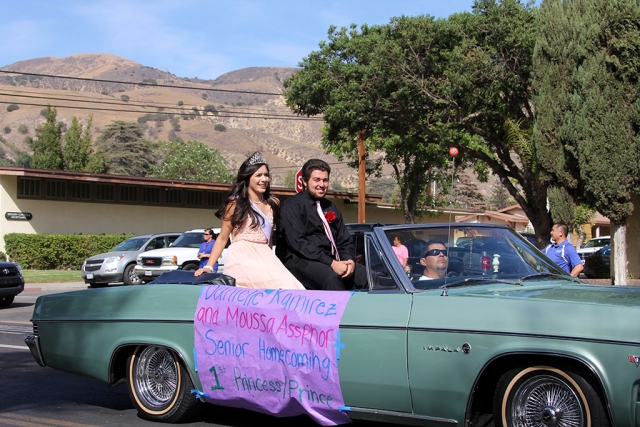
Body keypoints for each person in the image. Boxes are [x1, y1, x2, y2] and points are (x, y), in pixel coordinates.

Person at [194, 152, 305, 290]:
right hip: (241, 257)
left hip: (265, 256)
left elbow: (268, 239)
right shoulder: (235, 203)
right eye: (258, 175)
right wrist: (209, 267)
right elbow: (222, 238)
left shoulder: (273, 203)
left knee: (293, 287)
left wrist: (271, 262)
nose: (264, 179)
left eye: (266, 175)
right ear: (247, 178)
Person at [276, 159, 367, 290]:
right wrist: (331, 263)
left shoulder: (331, 207)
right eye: (316, 180)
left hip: (332, 260)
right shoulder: (291, 206)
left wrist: (349, 260)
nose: (321, 184)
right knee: (331, 278)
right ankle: (340, 311)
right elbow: (299, 243)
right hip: (300, 260)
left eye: (325, 180)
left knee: (368, 276)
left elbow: (344, 240)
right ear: (304, 181)